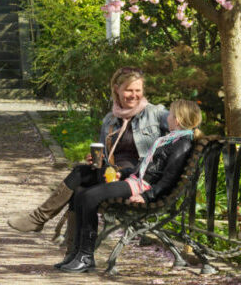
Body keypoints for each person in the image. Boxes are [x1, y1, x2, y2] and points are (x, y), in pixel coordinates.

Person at [8, 67, 169, 234]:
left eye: (138, 90)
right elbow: (105, 158)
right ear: (116, 89)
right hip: (112, 174)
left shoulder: (155, 113)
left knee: (79, 178)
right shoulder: (110, 119)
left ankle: (39, 219)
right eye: (129, 90)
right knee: (80, 183)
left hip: (136, 178)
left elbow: (180, 122)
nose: (134, 95)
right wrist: (95, 161)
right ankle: (72, 251)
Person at [55, 99, 203, 273]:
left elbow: (168, 179)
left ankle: (86, 256)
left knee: (89, 196)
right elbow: (146, 167)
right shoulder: (170, 140)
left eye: (170, 114)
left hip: (143, 189)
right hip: (136, 181)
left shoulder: (181, 144)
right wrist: (123, 174)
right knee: (81, 192)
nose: (168, 117)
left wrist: (146, 197)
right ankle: (77, 253)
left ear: (177, 119)